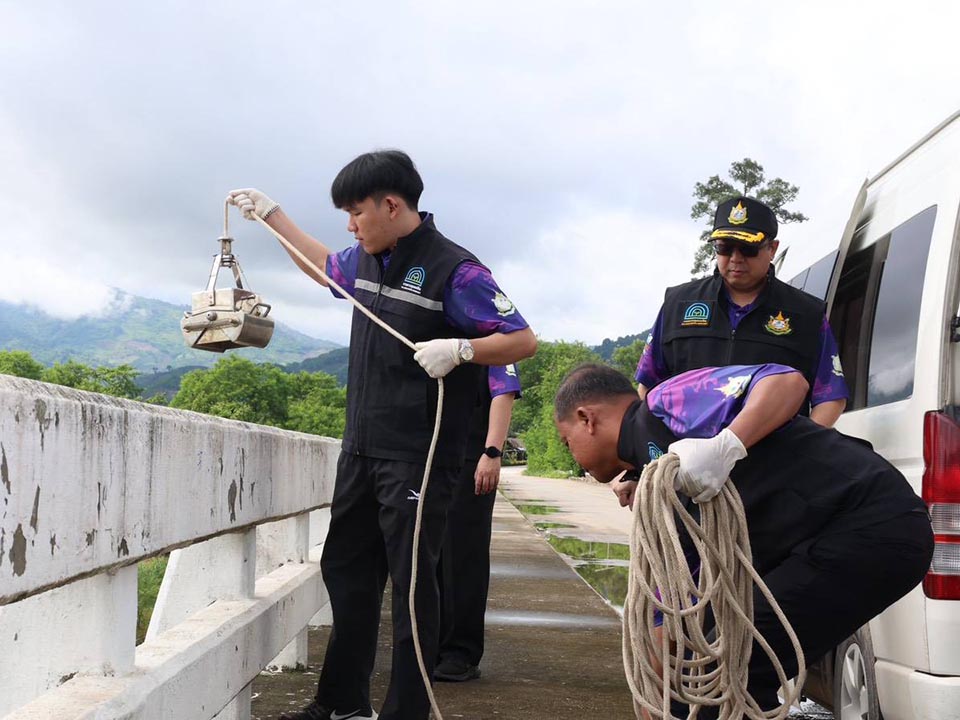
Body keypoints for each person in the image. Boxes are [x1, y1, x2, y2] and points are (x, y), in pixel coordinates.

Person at [227, 150, 537, 720]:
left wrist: (462, 349)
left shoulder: (457, 271)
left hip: (419, 455)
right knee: (345, 570)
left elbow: (521, 340)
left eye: (355, 212)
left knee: (414, 586)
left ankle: (406, 711)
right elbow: (324, 266)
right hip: (362, 448)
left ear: (391, 205)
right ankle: (341, 703)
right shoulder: (369, 258)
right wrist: (272, 217)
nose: (350, 225)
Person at [553, 362, 933, 715]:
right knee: (696, 686)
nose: (573, 457)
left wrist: (726, 446)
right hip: (830, 541)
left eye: (567, 442)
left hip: (872, 523)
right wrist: (654, 693)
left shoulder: (665, 404)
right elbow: (673, 602)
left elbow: (786, 381)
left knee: (733, 669)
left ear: (587, 419)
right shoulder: (661, 484)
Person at [636, 196, 848, 428]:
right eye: (724, 247)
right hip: (686, 457)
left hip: (774, 459)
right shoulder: (678, 305)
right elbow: (648, 386)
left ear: (772, 248)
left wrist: (802, 452)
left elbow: (831, 396)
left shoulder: (806, 314)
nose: (736, 258)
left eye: (748, 248)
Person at [435, 364, 520, 682]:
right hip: (431, 455)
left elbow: (505, 391)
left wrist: (492, 452)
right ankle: (431, 645)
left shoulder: (492, 329)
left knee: (464, 554)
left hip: (472, 456)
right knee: (431, 554)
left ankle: (461, 652)